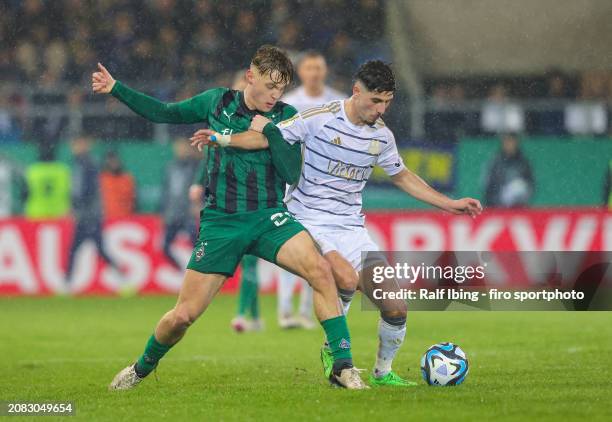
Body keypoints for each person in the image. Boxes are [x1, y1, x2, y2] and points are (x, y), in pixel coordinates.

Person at [190, 60, 482, 387]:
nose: (381, 109)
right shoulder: (319, 118)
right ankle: (336, 356)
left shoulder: (382, 137)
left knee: (395, 307)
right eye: (375, 100)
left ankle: (383, 372)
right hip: (307, 219)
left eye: (387, 102)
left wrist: (450, 204)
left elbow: (402, 176)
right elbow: (267, 138)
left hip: (351, 228)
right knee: (342, 277)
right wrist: (223, 138)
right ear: (357, 92)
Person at [93, 45, 367, 390]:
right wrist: (116, 88)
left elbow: (291, 172)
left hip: (269, 217)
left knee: (322, 272)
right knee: (183, 316)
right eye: (269, 86)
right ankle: (141, 368)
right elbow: (164, 112)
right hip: (221, 223)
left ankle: (342, 365)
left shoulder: (284, 116)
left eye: (280, 88)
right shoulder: (216, 102)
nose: (274, 95)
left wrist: (269, 131)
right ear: (250, 76)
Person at [276, 50, 346, 330]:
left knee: (316, 251)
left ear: (324, 71)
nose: (314, 73)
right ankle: (284, 311)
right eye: (309, 68)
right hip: (291, 182)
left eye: (319, 67)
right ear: (301, 72)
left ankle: (305, 312)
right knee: (289, 246)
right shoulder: (288, 103)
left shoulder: (338, 102)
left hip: (324, 186)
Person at [66, 136, 121, 284]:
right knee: (85, 249)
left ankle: (67, 282)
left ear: (84, 144)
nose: (74, 146)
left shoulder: (88, 163)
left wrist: (76, 206)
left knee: (79, 249)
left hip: (89, 215)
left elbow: (87, 190)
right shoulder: (79, 163)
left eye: (76, 143)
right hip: (88, 214)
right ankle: (67, 281)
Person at [160, 138, 200, 269]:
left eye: (183, 148)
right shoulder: (170, 167)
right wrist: (163, 211)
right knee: (165, 247)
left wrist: (198, 205)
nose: (181, 151)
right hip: (173, 214)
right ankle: (182, 270)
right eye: (178, 148)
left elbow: (201, 187)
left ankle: (202, 272)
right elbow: (166, 191)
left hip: (188, 213)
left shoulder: (195, 166)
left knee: (198, 246)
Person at [483, 133, 534, 208]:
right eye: (507, 141)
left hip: (519, 205)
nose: (509, 145)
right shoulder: (496, 162)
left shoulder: (523, 162)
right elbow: (488, 185)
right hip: (498, 204)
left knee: (519, 186)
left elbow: (530, 183)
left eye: (512, 142)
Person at [24, 144, 71, 219]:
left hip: (36, 214)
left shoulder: (33, 171)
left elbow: (25, 194)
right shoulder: (63, 170)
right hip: (59, 214)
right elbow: (70, 192)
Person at [99, 150, 135, 219]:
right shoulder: (101, 179)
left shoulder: (127, 179)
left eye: (115, 161)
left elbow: (133, 201)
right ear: (106, 162)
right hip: (106, 219)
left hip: (125, 219)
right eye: (111, 161)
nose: (114, 164)